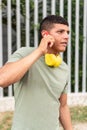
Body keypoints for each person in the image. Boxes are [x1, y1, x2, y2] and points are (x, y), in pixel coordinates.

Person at [0, 15, 73, 130]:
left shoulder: (64, 68)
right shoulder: (24, 53)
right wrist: (39, 51)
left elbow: (62, 106)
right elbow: (2, 79)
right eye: (60, 32)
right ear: (45, 35)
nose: (66, 36)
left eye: (68, 32)